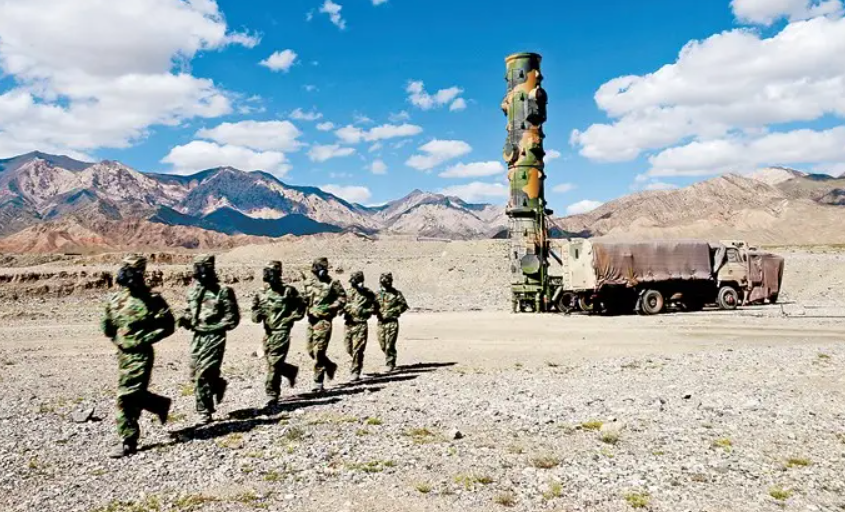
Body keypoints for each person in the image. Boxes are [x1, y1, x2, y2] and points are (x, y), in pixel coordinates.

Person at [101, 255, 174, 458]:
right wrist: (119, 340)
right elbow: (106, 327)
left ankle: (128, 441)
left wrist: (145, 338)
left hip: (141, 354)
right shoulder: (115, 300)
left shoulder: (152, 300)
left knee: (126, 395)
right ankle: (157, 405)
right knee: (130, 395)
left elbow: (168, 326)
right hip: (123, 354)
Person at [178, 254, 240, 424]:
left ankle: (204, 411)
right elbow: (189, 311)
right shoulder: (193, 292)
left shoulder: (223, 292)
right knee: (194, 373)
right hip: (197, 337)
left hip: (215, 337)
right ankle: (217, 384)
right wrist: (185, 318)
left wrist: (211, 327)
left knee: (202, 375)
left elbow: (233, 319)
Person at [251, 261, 304, 406]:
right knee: (272, 362)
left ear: (278, 274)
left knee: (273, 365)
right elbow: (254, 315)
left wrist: (290, 319)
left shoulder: (288, 291)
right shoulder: (261, 293)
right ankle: (290, 371)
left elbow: (300, 308)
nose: (268, 275)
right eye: (266, 272)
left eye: (271, 272)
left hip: (282, 333)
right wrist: (256, 313)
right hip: (268, 334)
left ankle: (272, 394)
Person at [303, 257, 346, 392]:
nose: (322, 270)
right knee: (310, 350)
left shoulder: (333, 283)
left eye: (324, 268)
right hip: (311, 320)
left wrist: (331, 307)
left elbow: (343, 298)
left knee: (319, 351)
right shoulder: (308, 282)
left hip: (324, 321)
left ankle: (318, 382)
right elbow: (305, 298)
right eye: (319, 267)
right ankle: (330, 365)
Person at [343, 271, 376, 381]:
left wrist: (364, 311)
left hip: (361, 324)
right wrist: (347, 308)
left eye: (359, 281)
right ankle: (358, 360)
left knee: (358, 349)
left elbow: (374, 308)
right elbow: (341, 304)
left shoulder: (368, 293)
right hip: (348, 324)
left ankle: (355, 371)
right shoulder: (347, 293)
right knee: (348, 348)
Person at [376, 272, 409, 372]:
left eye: (388, 280)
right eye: (384, 281)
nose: (385, 282)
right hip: (381, 322)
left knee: (389, 344)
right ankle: (389, 359)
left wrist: (393, 311)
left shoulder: (396, 293)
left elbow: (403, 306)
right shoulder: (377, 294)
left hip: (392, 322)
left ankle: (390, 363)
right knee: (382, 344)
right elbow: (372, 305)